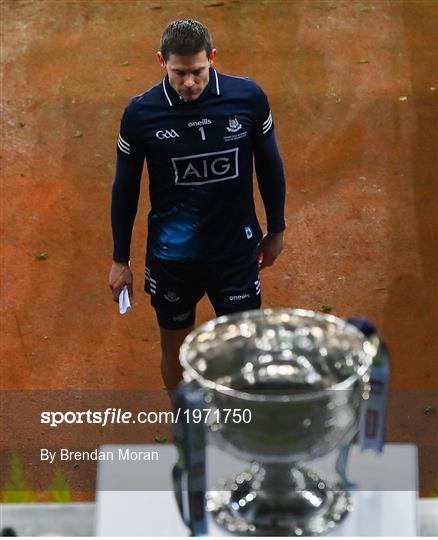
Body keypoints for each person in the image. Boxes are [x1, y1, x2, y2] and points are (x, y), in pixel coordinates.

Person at [109, 19, 286, 390]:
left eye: (198, 71)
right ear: (161, 62)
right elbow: (125, 187)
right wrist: (119, 259)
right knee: (175, 352)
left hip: (236, 253)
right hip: (173, 259)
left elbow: (270, 166)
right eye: (179, 73)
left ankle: (239, 427)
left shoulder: (247, 98)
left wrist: (277, 230)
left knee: (243, 353)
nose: (189, 82)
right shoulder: (141, 114)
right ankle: (186, 427)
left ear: (213, 59)